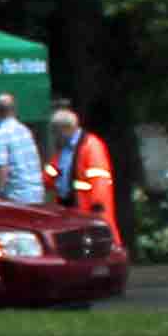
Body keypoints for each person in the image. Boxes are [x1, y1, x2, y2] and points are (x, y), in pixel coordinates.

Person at [44, 98, 120, 245]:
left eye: (56, 132)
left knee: (100, 246)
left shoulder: (91, 146)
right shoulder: (66, 149)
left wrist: (97, 209)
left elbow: (100, 180)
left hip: (87, 208)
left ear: (66, 129)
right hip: (71, 207)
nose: (55, 136)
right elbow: (52, 173)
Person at [0, 92, 44, 203]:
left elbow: (1, 172)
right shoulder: (25, 131)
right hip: (37, 194)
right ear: (14, 110)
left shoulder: (0, 135)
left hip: (17, 198)